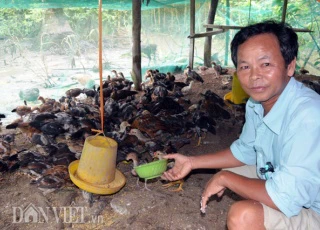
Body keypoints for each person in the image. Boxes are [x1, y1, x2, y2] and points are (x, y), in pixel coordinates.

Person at [161, 20, 320, 230]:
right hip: (295, 187)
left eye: (266, 64)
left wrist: (225, 178)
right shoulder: (257, 103)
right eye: (245, 66)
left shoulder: (308, 114)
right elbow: (245, 152)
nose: (254, 76)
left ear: (290, 66)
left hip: (313, 207)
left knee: (243, 216)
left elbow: (286, 198)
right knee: (228, 169)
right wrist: (191, 162)